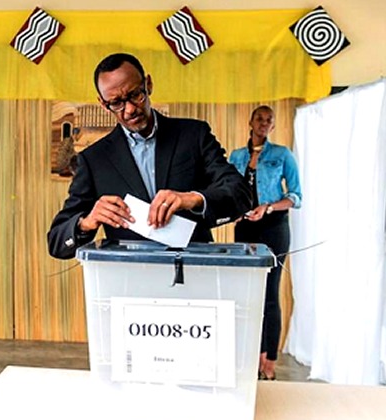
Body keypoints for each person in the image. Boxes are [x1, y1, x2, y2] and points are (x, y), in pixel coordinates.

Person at [47, 53, 251, 259]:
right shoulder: (93, 160)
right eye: (116, 103)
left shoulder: (193, 135)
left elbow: (240, 195)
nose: (129, 109)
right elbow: (56, 243)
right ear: (103, 104)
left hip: (195, 274)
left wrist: (193, 199)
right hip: (130, 282)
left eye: (135, 94)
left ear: (148, 84)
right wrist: (86, 222)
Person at [228, 105, 302, 380]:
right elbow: (228, 189)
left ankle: (269, 362)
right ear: (250, 121)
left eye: (268, 120)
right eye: (259, 118)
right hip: (245, 227)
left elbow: (296, 196)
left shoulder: (282, 155)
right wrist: (235, 211)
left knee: (271, 293)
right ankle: (252, 356)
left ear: (273, 126)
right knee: (249, 293)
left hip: (273, 227)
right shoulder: (236, 156)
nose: (263, 123)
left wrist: (268, 208)